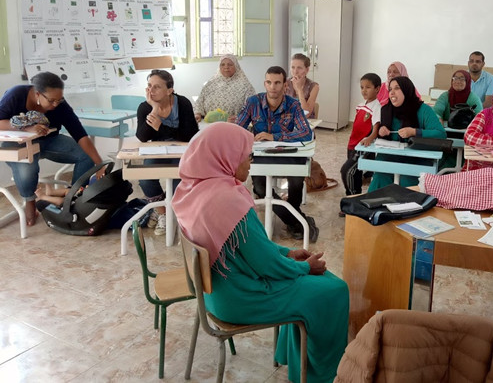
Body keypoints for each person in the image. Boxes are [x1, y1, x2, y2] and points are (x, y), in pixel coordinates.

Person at [172, 122, 349, 383]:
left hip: (214, 295)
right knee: (335, 289)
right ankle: (322, 375)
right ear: (226, 157)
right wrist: (303, 267)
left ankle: (295, 360)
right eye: (246, 156)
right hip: (241, 299)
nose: (250, 163)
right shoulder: (227, 200)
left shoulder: (192, 190)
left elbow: (249, 249)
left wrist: (288, 254)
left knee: (316, 283)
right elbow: (266, 265)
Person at [0, 72, 106, 227]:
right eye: (51, 100)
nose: (55, 104)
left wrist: (99, 163)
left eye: (59, 99)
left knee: (86, 156)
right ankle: (30, 200)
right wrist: (27, 127)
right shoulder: (16, 95)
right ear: (37, 94)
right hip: (19, 142)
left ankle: (72, 197)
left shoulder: (60, 105)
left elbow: (80, 135)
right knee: (27, 167)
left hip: (50, 140)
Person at [236, 66, 318, 242]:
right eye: (269, 82)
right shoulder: (253, 102)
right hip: (260, 156)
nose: (273, 87)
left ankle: (292, 217)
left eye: (277, 83)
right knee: (259, 187)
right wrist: (247, 135)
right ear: (264, 83)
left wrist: (274, 136)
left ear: (285, 85)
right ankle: (296, 221)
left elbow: (306, 133)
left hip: (287, 154)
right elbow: (237, 129)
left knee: (296, 180)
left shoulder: (293, 104)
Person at [136, 69, 198, 235]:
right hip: (158, 152)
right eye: (149, 86)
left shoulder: (183, 103)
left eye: (156, 87)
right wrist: (154, 108)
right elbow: (142, 137)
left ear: (169, 90)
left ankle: (172, 212)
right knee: (145, 179)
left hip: (181, 152)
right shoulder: (144, 107)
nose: (151, 91)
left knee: (179, 186)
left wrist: (161, 127)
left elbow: (190, 134)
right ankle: (162, 213)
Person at [368, 76, 447, 192]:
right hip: (390, 157)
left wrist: (415, 132)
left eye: (397, 88)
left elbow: (441, 134)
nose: (392, 93)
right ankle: (376, 209)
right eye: (390, 89)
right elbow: (374, 133)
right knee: (380, 178)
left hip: (417, 158)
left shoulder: (423, 110)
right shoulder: (386, 110)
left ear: (406, 90)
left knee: (406, 180)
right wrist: (381, 131)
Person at [340, 73, 381, 197]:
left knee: (347, 171)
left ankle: (353, 197)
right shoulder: (360, 105)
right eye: (362, 87)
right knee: (354, 173)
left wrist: (369, 138)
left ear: (377, 89)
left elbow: (376, 127)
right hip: (352, 144)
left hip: (363, 147)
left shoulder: (377, 107)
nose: (364, 90)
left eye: (368, 87)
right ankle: (353, 196)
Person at [193, 54, 256, 123]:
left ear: (236, 66)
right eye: (222, 64)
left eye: (230, 64)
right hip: (209, 125)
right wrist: (197, 114)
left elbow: (253, 108)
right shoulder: (210, 84)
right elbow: (199, 102)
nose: (226, 67)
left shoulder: (245, 86)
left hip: (234, 125)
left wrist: (238, 119)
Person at [285, 53, 319, 117]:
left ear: (307, 70)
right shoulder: (285, 83)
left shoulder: (314, 86)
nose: (295, 71)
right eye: (292, 67)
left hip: (305, 122)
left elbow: (306, 114)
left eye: (299, 68)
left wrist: (299, 90)